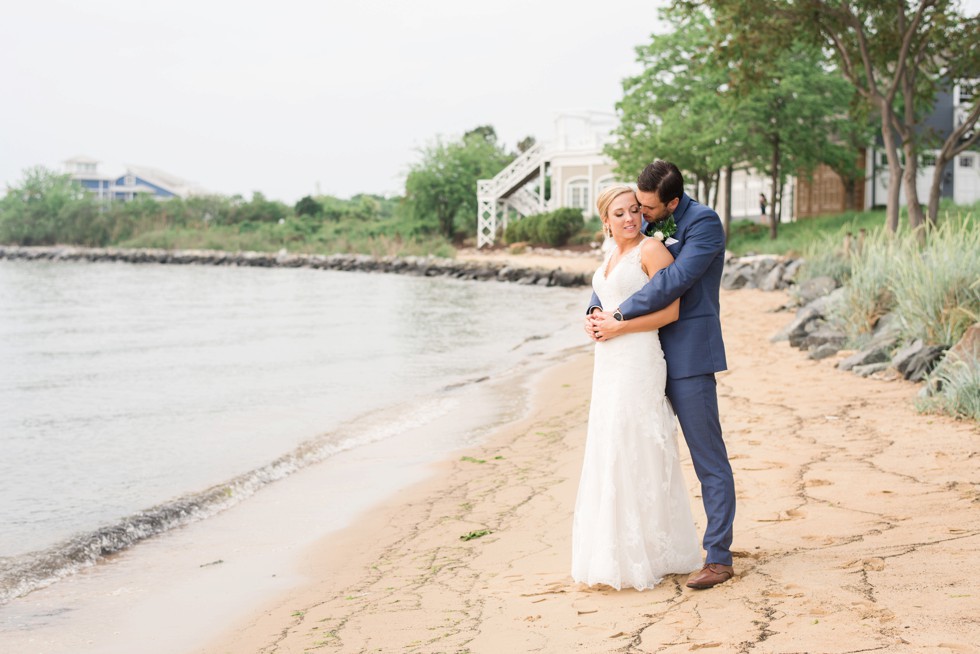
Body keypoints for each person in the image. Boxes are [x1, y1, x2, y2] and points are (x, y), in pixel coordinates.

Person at [586, 160, 736, 590]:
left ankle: (720, 558)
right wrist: (594, 311)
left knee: (708, 458)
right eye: (635, 207)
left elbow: (675, 281)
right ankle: (652, 548)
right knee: (639, 456)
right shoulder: (649, 228)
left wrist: (617, 315)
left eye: (647, 208)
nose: (639, 214)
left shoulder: (704, 223)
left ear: (671, 203)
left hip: (687, 356)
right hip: (640, 359)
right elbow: (618, 273)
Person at [572, 184, 702, 590]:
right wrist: (593, 318)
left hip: (639, 359)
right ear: (605, 221)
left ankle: (648, 551)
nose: (629, 219)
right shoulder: (611, 256)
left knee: (635, 445)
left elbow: (671, 309)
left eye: (634, 211)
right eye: (619, 214)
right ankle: (613, 549)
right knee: (610, 444)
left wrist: (619, 325)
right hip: (609, 362)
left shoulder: (651, 250)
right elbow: (605, 299)